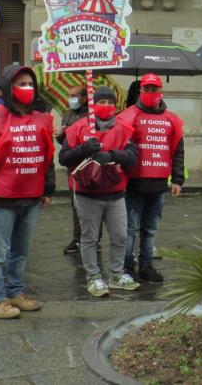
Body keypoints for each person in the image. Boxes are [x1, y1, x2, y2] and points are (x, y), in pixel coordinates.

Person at [0, 66, 55, 319]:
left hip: (31, 196)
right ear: (9, 87)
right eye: (21, 83)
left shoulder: (42, 119)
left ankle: (14, 292)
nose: (27, 88)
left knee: (20, 251)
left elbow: (47, 156)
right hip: (2, 197)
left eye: (30, 84)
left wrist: (48, 188)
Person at [59, 86, 140, 296]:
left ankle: (116, 274)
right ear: (93, 104)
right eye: (101, 102)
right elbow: (64, 157)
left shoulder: (123, 128)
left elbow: (132, 156)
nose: (106, 106)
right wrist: (84, 149)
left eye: (110, 102)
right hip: (88, 193)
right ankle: (93, 277)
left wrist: (112, 156)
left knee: (120, 236)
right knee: (89, 238)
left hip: (115, 193)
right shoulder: (78, 127)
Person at [116, 73, 185, 283]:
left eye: (154, 89)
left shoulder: (172, 120)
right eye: (146, 89)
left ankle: (146, 266)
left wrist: (177, 180)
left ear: (161, 91)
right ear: (140, 91)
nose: (150, 93)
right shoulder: (128, 116)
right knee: (129, 229)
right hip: (134, 183)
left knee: (150, 229)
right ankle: (127, 266)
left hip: (158, 185)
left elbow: (178, 150)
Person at [55, 84, 89, 254]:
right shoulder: (68, 113)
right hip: (73, 165)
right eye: (69, 95)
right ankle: (78, 238)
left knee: (92, 206)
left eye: (74, 95)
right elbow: (63, 144)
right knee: (75, 205)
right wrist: (61, 135)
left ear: (84, 97)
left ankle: (92, 240)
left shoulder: (91, 114)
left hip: (89, 164)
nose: (71, 99)